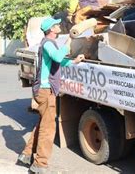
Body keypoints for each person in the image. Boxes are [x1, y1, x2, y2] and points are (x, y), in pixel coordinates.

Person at [17, 17, 85, 173]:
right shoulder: (47, 43)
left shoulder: (50, 43)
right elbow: (57, 57)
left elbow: (57, 62)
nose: (59, 25)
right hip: (45, 90)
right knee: (48, 128)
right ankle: (39, 164)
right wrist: (68, 44)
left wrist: (74, 61)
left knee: (43, 124)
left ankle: (27, 155)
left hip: (46, 89)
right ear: (51, 29)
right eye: (56, 24)